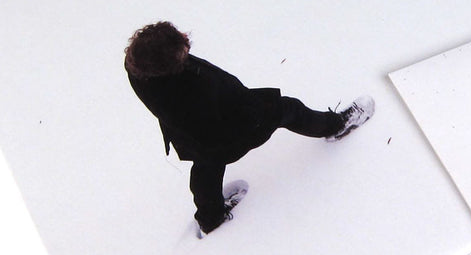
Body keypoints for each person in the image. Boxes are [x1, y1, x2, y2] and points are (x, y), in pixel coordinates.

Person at [125, 21, 374, 237]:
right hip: (229, 128)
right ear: (168, 64)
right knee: (288, 109)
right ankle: (336, 126)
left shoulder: (137, 69)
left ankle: (210, 218)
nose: (186, 44)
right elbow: (222, 116)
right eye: (181, 50)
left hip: (189, 135)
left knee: (206, 165)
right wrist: (261, 113)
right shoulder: (193, 90)